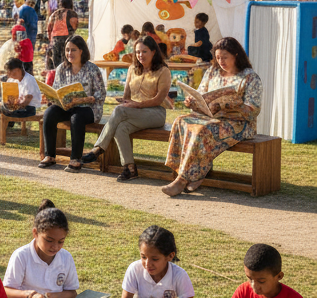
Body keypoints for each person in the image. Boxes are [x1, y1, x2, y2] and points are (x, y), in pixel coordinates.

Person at [3, 201, 118, 298]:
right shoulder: (21, 255)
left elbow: (72, 293)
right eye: (49, 240)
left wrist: (58, 297)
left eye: (61, 241)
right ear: (35, 233)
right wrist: (30, 295)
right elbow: (6, 291)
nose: (55, 246)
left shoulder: (65, 257)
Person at [161, 36, 263, 196]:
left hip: (239, 124)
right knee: (181, 120)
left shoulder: (250, 77)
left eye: (225, 57)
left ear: (236, 55)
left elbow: (253, 110)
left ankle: (182, 180)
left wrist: (232, 105)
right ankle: (191, 172)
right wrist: (193, 102)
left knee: (203, 130)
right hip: (211, 118)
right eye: (218, 57)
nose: (221, 61)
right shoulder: (212, 72)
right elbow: (201, 96)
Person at [81, 36, 170, 182]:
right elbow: (127, 95)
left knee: (119, 111)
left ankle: (98, 148)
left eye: (144, 51)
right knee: (121, 127)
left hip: (155, 113)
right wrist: (124, 102)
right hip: (135, 112)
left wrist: (137, 105)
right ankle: (130, 168)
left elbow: (159, 99)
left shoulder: (163, 71)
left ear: (153, 52)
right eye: (138, 52)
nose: (140, 55)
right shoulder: (132, 69)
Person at [110, 225, 198, 298]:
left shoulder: (179, 275)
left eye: (155, 259)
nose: (147, 264)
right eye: (143, 257)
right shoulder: (135, 269)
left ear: (170, 256)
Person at [38, 36, 106, 172]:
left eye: (73, 50)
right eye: (67, 50)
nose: (69, 53)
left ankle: (76, 159)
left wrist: (82, 100)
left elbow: (101, 94)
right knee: (49, 113)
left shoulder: (92, 69)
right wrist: (52, 97)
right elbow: (57, 90)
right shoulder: (61, 68)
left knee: (77, 118)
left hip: (89, 108)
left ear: (81, 51)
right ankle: (49, 155)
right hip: (67, 107)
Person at [44, 0, 79, 71]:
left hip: (55, 39)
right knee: (67, 61)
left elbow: (49, 27)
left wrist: (51, 40)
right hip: (67, 39)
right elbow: (74, 25)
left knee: (56, 63)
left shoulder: (55, 14)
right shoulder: (71, 13)